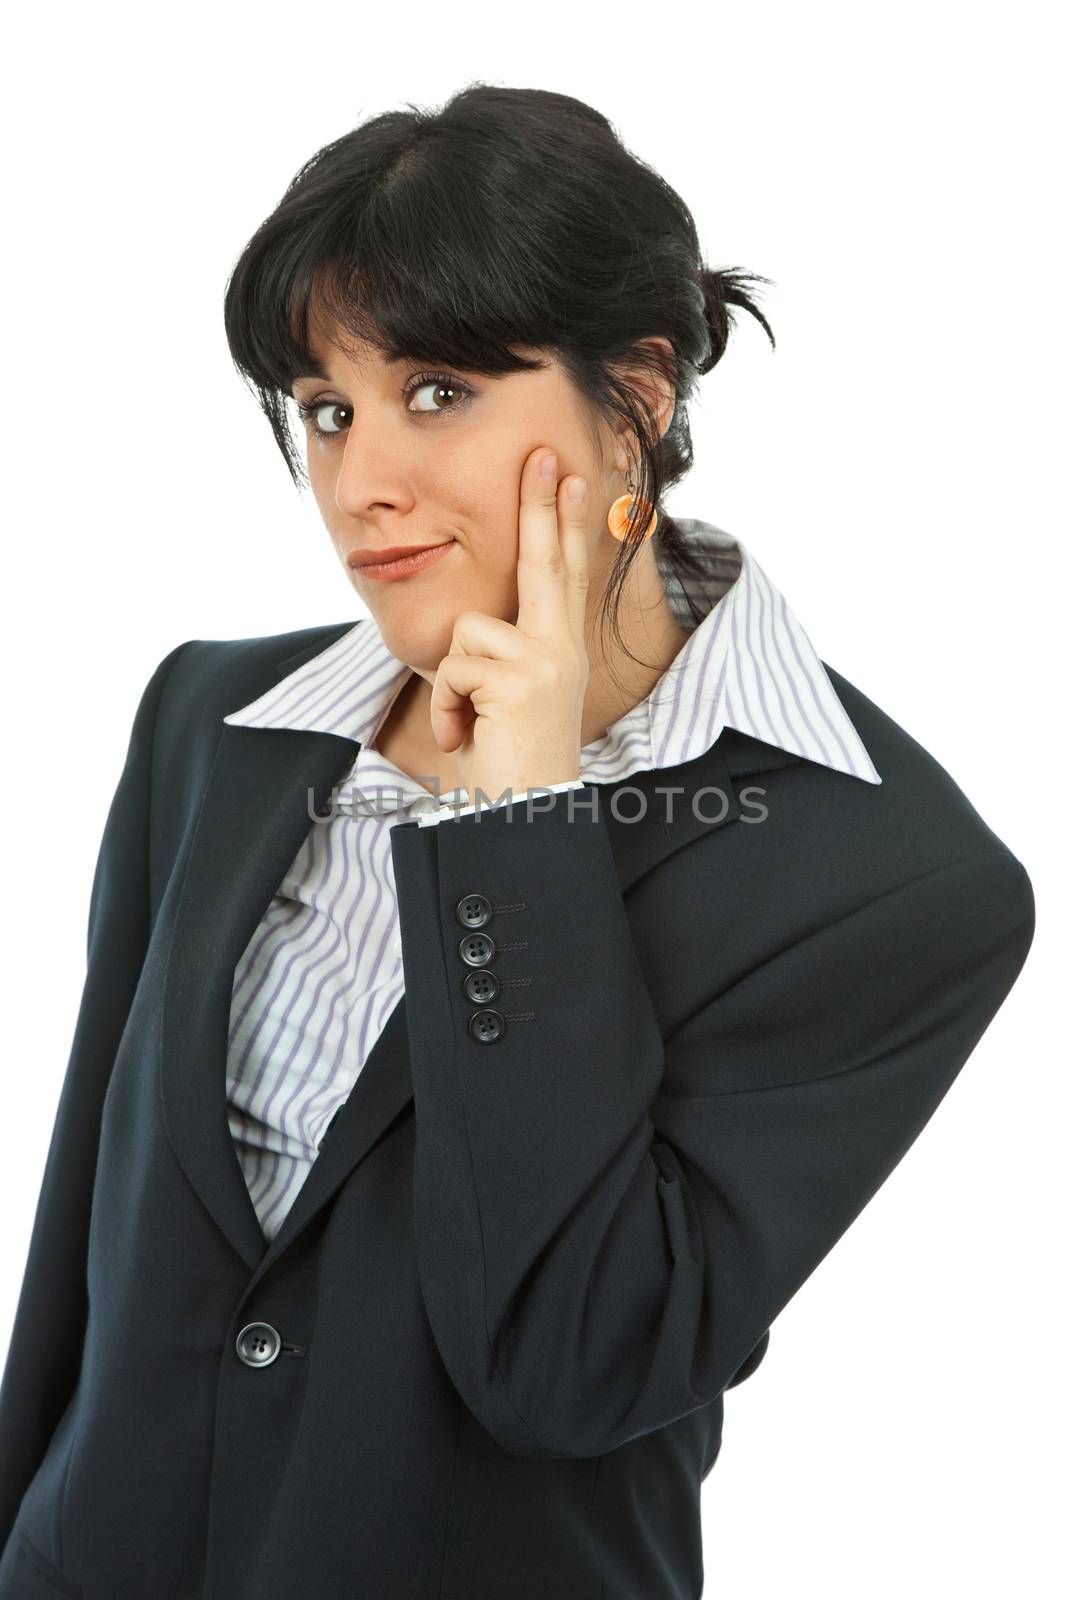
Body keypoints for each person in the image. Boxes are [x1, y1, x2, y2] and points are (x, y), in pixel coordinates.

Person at [0, 83, 1035, 1600]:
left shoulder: (895, 883)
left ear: (637, 398)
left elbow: (572, 1368)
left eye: (437, 391)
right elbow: (81, 1237)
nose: (361, 480)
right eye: (325, 408)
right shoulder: (216, 718)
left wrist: (527, 823)